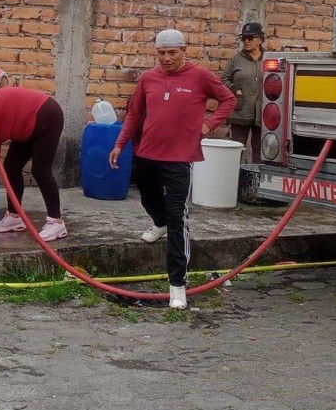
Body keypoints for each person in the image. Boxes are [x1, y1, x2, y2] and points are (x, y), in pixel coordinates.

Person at [108, 29, 236, 310]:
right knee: (147, 197)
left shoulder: (200, 76)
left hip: (179, 158)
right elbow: (134, 115)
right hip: (148, 152)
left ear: (183, 50)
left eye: (172, 53)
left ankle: (177, 285)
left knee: (178, 218)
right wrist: (120, 144)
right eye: (161, 53)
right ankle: (159, 222)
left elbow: (228, 100)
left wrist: (208, 125)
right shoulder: (148, 79)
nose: (166, 58)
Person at [0, 87, 68, 241]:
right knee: (11, 166)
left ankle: (56, 222)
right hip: (25, 125)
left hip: (47, 115)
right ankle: (14, 217)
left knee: (40, 170)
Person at [222, 22, 266, 163]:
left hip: (263, 111)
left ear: (260, 39)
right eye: (243, 38)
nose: (246, 41)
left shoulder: (269, 59)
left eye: (250, 38)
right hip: (241, 110)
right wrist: (236, 89)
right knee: (237, 146)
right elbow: (223, 78)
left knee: (260, 148)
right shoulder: (236, 60)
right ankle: (235, 179)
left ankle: (257, 180)